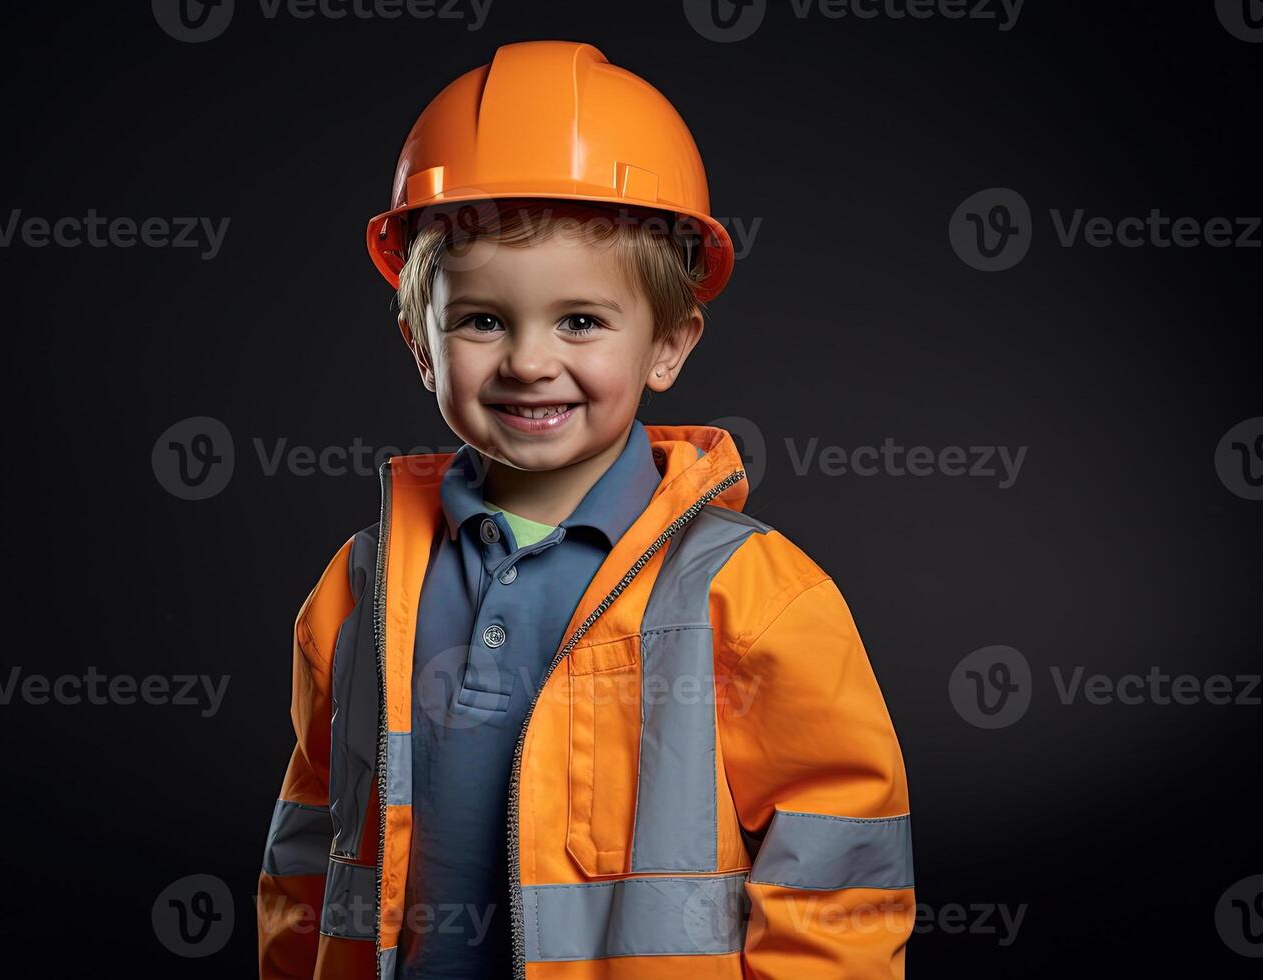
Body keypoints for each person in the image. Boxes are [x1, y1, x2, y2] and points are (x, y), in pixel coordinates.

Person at [257, 40, 914, 980]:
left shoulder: (752, 594)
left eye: (581, 321)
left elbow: (836, 872)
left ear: (668, 344)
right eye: (482, 320)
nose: (529, 361)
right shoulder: (363, 582)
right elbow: (313, 838)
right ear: (419, 343)